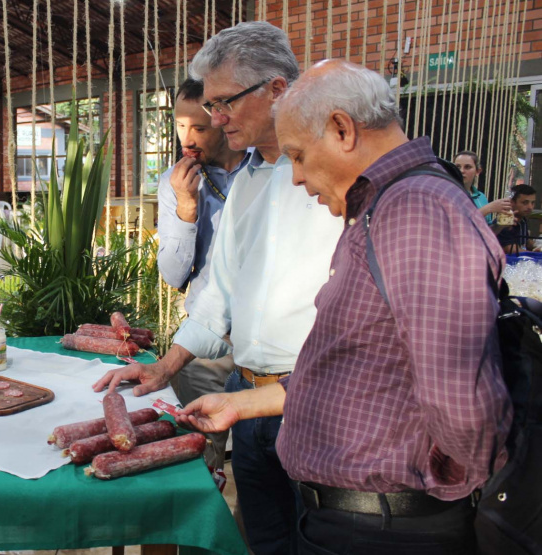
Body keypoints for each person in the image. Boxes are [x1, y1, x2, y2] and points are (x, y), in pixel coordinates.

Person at [178, 59, 512, 554]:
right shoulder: (386, 209)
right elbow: (363, 364)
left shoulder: (414, 210)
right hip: (361, 519)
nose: (295, 178)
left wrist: (439, 498)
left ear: (341, 129)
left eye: (297, 155)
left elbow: (464, 405)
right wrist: (242, 401)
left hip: (384, 525)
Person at [94, 22, 343, 555]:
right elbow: (216, 292)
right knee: (263, 540)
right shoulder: (248, 179)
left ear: (277, 90)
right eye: (210, 106)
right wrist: (165, 365)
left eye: (224, 102)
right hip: (245, 395)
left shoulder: (339, 177)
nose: (215, 119)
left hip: (314, 404)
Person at [156, 78, 249, 471]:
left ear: (224, 120)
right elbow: (174, 276)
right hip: (201, 351)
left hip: (265, 353)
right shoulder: (175, 182)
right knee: (200, 465)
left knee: (256, 471)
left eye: (199, 127)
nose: (186, 138)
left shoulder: (267, 171)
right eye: (179, 125)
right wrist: (186, 207)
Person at [453, 150, 510, 223]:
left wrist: (501, 224)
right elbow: (458, 223)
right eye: (458, 167)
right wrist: (489, 208)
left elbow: (487, 230)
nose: (461, 171)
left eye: (467, 167)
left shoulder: (481, 197)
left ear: (477, 171)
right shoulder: (448, 194)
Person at [495, 183, 537, 253]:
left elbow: (525, 241)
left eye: (532, 203)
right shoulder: (504, 220)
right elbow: (509, 249)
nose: (530, 207)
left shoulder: (523, 220)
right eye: (525, 203)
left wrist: (537, 246)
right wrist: (534, 254)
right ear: (512, 202)